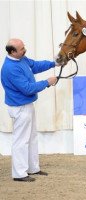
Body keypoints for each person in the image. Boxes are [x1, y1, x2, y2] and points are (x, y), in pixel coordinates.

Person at [1, 38, 59, 182]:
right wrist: (47, 82)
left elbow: (35, 65)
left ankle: (33, 168)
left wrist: (54, 63)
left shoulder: (21, 59)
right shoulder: (10, 68)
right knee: (21, 141)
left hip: (27, 105)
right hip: (19, 107)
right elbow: (27, 89)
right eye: (22, 49)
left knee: (32, 138)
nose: (24, 50)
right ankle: (19, 174)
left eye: (24, 47)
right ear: (12, 52)